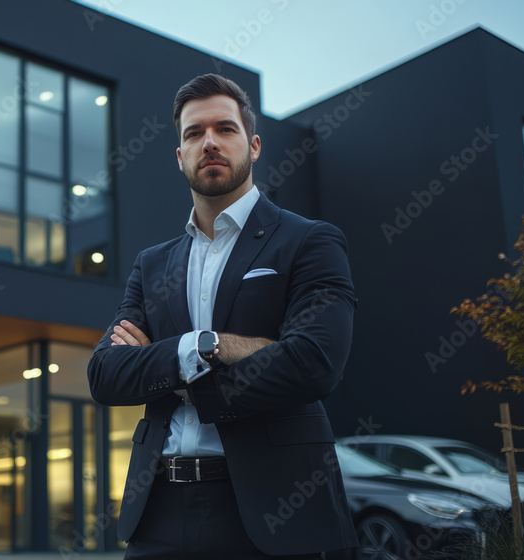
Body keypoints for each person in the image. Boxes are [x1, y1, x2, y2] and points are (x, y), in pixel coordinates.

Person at [87, 74, 358, 559]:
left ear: (253, 145)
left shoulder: (308, 241)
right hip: (157, 514)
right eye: (193, 134)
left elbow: (315, 362)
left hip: (272, 511)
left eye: (225, 129)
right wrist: (202, 348)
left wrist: (183, 357)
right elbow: (106, 376)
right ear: (179, 156)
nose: (209, 142)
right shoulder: (153, 265)